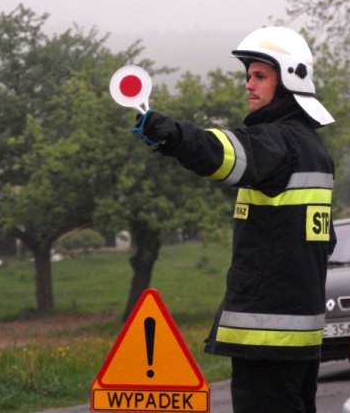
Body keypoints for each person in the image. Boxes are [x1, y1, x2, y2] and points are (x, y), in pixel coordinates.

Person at [132, 26, 336, 412]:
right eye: (248, 76)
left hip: (266, 338)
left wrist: (174, 136)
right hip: (300, 338)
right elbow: (325, 239)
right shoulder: (314, 148)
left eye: (259, 76)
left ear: (289, 79)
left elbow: (224, 153)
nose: (248, 85)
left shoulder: (278, 141)